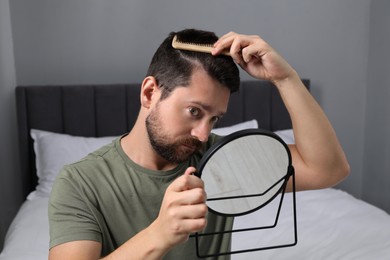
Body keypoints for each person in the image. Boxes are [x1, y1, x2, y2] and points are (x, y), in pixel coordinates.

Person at [48, 29, 350, 259]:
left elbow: (327, 170)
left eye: (214, 118)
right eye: (194, 112)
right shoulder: (79, 183)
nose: (203, 134)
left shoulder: (220, 160)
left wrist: (286, 79)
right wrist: (160, 234)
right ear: (150, 93)